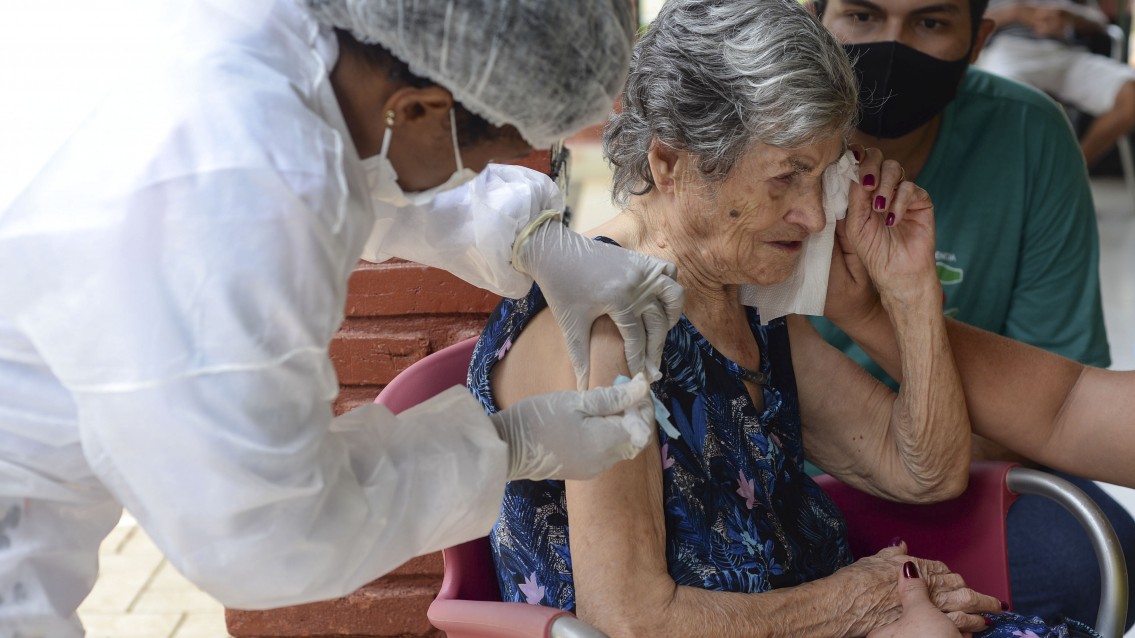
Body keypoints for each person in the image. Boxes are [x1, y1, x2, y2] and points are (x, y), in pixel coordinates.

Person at [0, 1, 686, 636]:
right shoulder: (238, 205)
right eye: (489, 159)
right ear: (416, 107)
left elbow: (361, 168)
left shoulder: (296, 45)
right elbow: (265, 533)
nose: (487, 172)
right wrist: (506, 446)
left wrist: (533, 240)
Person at [467, 1, 1039, 635]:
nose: (815, 217)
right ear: (669, 163)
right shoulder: (603, 323)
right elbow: (630, 623)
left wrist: (908, 295)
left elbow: (924, 471)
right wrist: (856, 603)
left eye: (821, 177)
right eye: (787, 177)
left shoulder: (741, 292)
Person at [809, 0, 1135, 624]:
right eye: (863, 16)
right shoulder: (766, 145)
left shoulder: (1024, 136)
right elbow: (1061, 407)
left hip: (969, 472)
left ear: (978, 38)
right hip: (805, 472)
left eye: (930, 22)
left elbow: (1061, 410)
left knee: (1087, 558)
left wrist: (897, 308)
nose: (893, 48)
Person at [976, 0, 1135, 167]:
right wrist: (1014, 13)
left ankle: (1072, 168)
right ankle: (1016, 174)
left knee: (1131, 93)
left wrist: (1068, 16)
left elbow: (1099, 22)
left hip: (1065, 53)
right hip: (1009, 51)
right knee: (1001, 95)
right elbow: (961, 20)